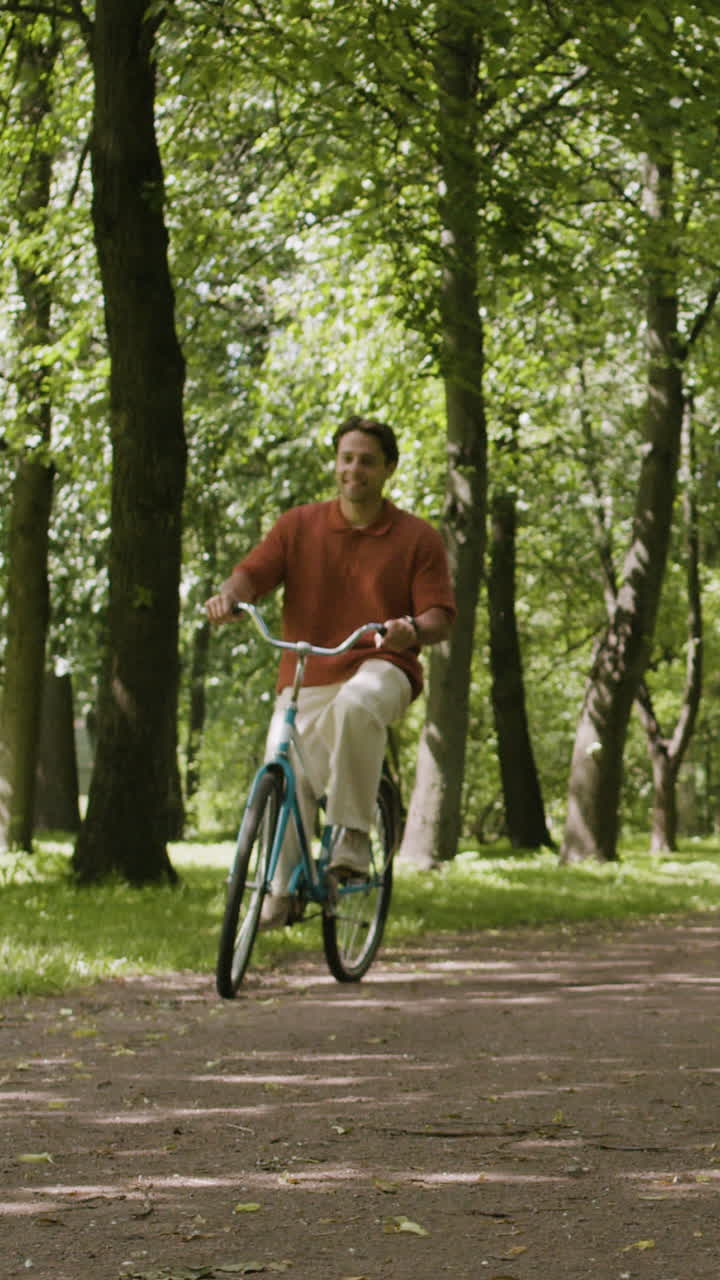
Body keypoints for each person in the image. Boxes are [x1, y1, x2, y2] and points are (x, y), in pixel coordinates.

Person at [205, 414, 456, 926]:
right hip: (310, 669)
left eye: (366, 461)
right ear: (335, 464)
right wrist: (231, 596)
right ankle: (282, 889)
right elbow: (253, 573)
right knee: (287, 765)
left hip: (384, 664)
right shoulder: (299, 525)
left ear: (388, 469)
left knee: (357, 705)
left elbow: (439, 617)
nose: (354, 470)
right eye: (346, 459)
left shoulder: (416, 537)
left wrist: (410, 627)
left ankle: (352, 840)